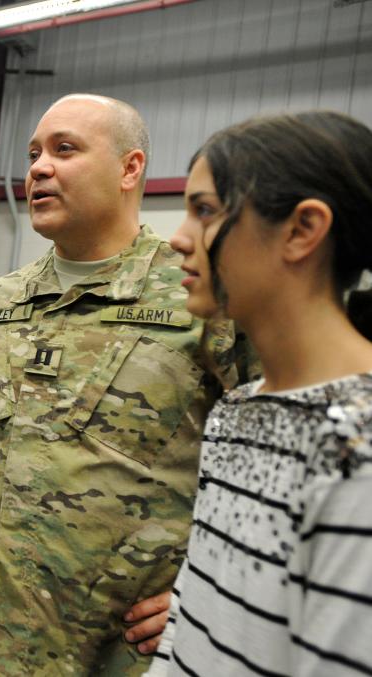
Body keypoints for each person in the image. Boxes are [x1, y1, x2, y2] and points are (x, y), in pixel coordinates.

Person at [0, 93, 256, 676]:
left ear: (130, 168)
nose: (39, 168)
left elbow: (274, 461)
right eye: (33, 154)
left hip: (128, 652)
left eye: (65, 149)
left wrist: (220, 582)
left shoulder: (200, 301)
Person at [145, 111, 372, 676]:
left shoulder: (358, 445)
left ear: (302, 230)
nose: (177, 238)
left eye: (204, 211)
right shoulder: (236, 410)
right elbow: (189, 621)